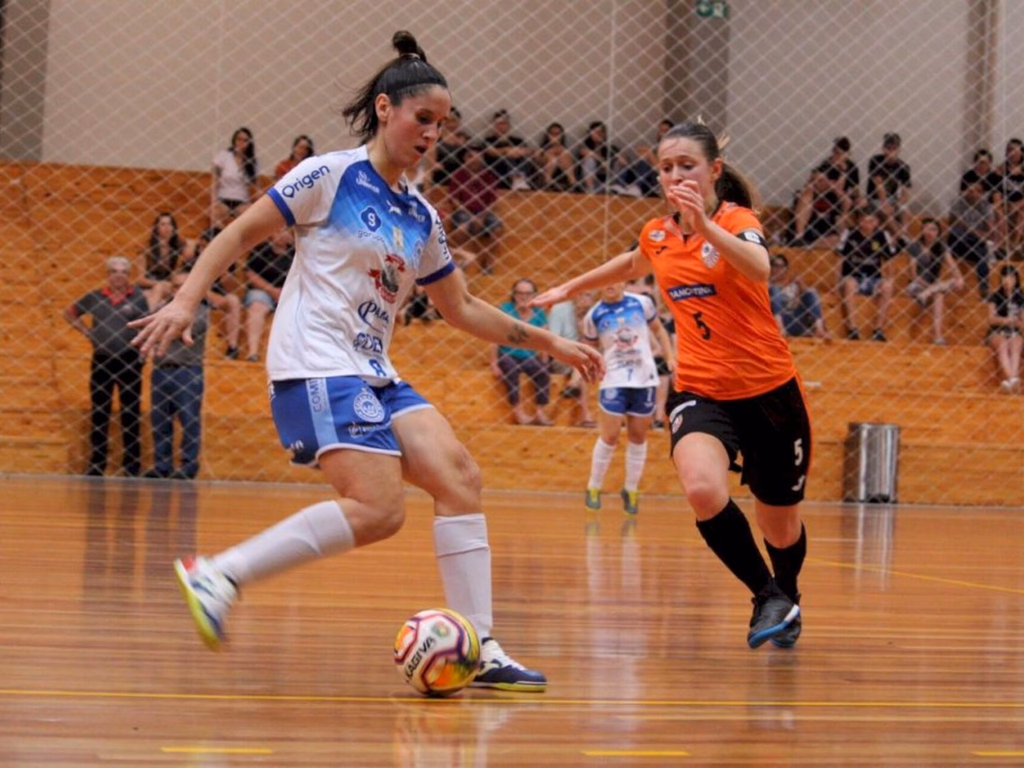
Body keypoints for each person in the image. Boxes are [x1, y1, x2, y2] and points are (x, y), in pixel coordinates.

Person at [131, 31, 603, 692]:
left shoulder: (422, 218)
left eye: (443, 123)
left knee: (460, 476)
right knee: (379, 510)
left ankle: (483, 645)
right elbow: (238, 232)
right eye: (423, 118)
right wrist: (186, 299)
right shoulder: (330, 176)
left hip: (372, 369)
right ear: (386, 109)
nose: (433, 133)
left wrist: (550, 342)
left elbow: (461, 308)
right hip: (315, 364)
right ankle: (221, 575)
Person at [533, 118, 810, 650]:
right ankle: (764, 595)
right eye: (666, 167)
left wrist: (705, 225)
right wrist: (570, 286)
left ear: (713, 171)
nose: (676, 175)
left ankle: (787, 593)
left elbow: (759, 267)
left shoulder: (735, 218)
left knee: (780, 526)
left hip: (770, 392)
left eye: (688, 165)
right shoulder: (657, 233)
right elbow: (634, 260)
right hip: (701, 389)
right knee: (703, 488)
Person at [581, 282, 674, 515]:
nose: (611, 284)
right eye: (607, 279)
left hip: (644, 379)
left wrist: (670, 356)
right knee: (610, 435)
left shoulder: (641, 303)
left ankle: (631, 489)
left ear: (623, 281)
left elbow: (659, 329)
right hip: (614, 378)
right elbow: (588, 348)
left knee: (638, 436)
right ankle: (594, 486)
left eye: (616, 279)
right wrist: (589, 369)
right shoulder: (594, 315)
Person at [63, 256, 149, 477]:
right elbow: (69, 313)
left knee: (130, 413)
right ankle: (96, 464)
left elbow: (147, 323)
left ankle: (132, 466)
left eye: (123, 271)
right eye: (114, 271)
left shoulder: (138, 298)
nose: (118, 275)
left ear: (128, 276)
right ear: (107, 275)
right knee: (100, 412)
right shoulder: (94, 297)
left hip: (130, 360)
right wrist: (88, 332)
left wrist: (142, 348)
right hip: (102, 359)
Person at [145, 270, 208, 480]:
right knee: (160, 420)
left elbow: (181, 328)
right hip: (161, 369)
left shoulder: (200, 310)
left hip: (187, 370)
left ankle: (188, 466)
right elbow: (149, 324)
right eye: (175, 285)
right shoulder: (163, 309)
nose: (179, 290)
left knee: (189, 419)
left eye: (184, 285)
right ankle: (162, 465)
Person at [490, 278, 554, 426]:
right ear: (514, 294)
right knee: (512, 370)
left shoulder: (539, 313)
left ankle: (540, 412)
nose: (523, 296)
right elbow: (493, 337)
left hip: (528, 356)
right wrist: (494, 363)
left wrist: (544, 360)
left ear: (534, 295)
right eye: (519, 293)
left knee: (543, 371)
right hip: (507, 354)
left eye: (528, 293)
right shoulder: (506, 310)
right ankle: (518, 412)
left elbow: (545, 338)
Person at [835, 208, 898, 341]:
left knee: (887, 286)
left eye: (872, 220)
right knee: (849, 283)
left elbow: (890, 259)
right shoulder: (850, 233)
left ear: (877, 222)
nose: (868, 223)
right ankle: (852, 329)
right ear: (859, 221)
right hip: (853, 276)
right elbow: (839, 258)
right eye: (864, 220)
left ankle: (878, 330)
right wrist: (836, 282)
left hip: (873, 278)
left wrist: (891, 278)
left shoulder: (882, 235)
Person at [906, 217, 963, 345]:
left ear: (938, 232)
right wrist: (929, 287)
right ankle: (937, 336)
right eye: (927, 228)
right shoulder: (914, 246)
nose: (930, 232)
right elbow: (913, 275)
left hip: (933, 286)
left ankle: (937, 337)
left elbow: (953, 266)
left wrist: (960, 278)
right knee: (939, 293)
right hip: (917, 285)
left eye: (933, 229)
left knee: (949, 284)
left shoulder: (941, 247)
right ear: (921, 230)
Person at [448, 142, 502, 274]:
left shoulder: (489, 176)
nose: (475, 159)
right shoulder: (458, 175)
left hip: (484, 212)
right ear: (466, 158)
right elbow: (454, 200)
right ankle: (459, 260)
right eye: (471, 156)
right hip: (463, 212)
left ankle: (487, 262)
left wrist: (481, 216)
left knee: (497, 229)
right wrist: (472, 217)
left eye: (479, 156)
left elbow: (494, 201)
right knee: (463, 227)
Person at [243, 227, 295, 361]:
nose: (280, 235)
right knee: (257, 306)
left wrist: (285, 291)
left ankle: (291, 356)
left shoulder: (295, 253)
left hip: (288, 292)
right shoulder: (261, 250)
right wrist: (271, 290)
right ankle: (253, 352)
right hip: (263, 290)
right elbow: (250, 274)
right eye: (277, 231)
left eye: (284, 231)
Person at [948, 179, 994, 299]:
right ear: (966, 191)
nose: (973, 193)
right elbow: (955, 222)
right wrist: (975, 231)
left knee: (982, 253)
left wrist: (980, 235)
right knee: (958, 232)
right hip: (958, 241)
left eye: (977, 191)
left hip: (974, 243)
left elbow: (990, 231)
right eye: (970, 190)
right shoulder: (958, 203)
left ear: (982, 193)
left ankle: (984, 288)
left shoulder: (985, 206)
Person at [768, 253, 828, 338]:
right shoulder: (766, 283)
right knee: (775, 290)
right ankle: (779, 328)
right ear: (771, 267)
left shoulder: (793, 285)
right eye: (776, 266)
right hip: (775, 320)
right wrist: (786, 283)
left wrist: (800, 284)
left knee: (811, 292)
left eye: (782, 267)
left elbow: (807, 298)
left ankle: (819, 328)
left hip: (794, 317)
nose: (778, 269)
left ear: (786, 269)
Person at [211, 127, 259, 230]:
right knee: (215, 216)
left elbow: (256, 187)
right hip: (224, 197)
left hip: (242, 200)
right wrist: (214, 200)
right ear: (234, 140)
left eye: (245, 140)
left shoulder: (251, 162)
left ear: (249, 143)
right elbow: (215, 180)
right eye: (239, 139)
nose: (241, 142)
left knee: (250, 219)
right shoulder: (224, 156)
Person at [986, 263, 1024, 393]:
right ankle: (1012, 377)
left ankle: (1010, 382)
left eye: (1010, 277)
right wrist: (1007, 320)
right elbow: (991, 319)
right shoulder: (995, 296)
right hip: (996, 332)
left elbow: (1022, 323)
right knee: (1002, 344)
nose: (1007, 281)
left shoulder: (1021, 298)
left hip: (1014, 332)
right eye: (1004, 277)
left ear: (1015, 280)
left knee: (1016, 344)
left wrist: (1015, 322)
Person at [866, 132, 911, 236]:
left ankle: (903, 233)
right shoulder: (875, 161)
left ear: (899, 150)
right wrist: (885, 204)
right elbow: (879, 186)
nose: (891, 151)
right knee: (887, 213)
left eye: (894, 148)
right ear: (883, 148)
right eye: (888, 148)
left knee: (906, 210)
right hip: (875, 198)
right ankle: (902, 238)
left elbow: (906, 195)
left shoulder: (904, 167)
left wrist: (895, 204)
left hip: (892, 199)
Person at [137, 212, 185, 306]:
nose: (167, 227)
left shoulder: (177, 251)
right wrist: (159, 284)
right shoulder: (146, 249)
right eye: (163, 224)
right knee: (159, 288)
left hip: (169, 287)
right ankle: (149, 313)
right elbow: (140, 279)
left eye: (169, 224)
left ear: (173, 228)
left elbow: (175, 276)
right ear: (156, 228)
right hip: (149, 285)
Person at [482, 109, 536, 190]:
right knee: (508, 153)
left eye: (504, 123)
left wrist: (517, 151)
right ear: (494, 125)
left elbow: (527, 152)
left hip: (520, 168)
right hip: (498, 170)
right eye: (499, 124)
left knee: (526, 154)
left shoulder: (518, 141)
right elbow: (492, 152)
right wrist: (506, 150)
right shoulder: (488, 140)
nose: (501, 126)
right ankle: (517, 180)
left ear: (509, 125)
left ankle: (518, 179)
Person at [538, 122, 577, 192]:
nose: (555, 136)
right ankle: (547, 183)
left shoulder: (565, 150)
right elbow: (537, 160)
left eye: (557, 134)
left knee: (564, 155)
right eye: (552, 133)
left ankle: (572, 182)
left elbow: (569, 160)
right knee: (553, 159)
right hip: (544, 174)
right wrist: (551, 152)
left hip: (562, 173)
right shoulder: (540, 149)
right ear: (548, 135)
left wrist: (558, 148)